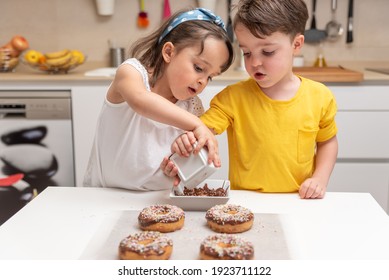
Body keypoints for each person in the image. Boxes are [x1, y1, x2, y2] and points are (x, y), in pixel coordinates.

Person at [163, 0, 338, 199]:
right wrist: (186, 144)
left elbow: (327, 142)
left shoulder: (320, 97)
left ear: (296, 44)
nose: (254, 62)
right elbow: (201, 131)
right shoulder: (232, 98)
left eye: (268, 52)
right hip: (245, 201)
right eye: (246, 53)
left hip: (298, 200)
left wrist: (320, 179)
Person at [83, 8, 234, 191]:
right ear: (169, 52)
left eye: (210, 77)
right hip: (102, 196)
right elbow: (141, 101)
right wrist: (197, 125)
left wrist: (177, 164)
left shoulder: (193, 108)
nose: (203, 81)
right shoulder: (131, 73)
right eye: (199, 68)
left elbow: (182, 166)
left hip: (154, 202)